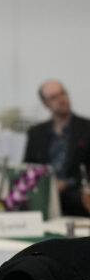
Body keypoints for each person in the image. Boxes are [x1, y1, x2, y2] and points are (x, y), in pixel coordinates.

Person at [23, 80, 90, 216]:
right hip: (42, 197)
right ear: (45, 103)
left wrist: (66, 184)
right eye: (53, 97)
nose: (61, 99)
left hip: (76, 198)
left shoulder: (86, 129)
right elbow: (28, 167)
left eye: (62, 93)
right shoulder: (36, 133)